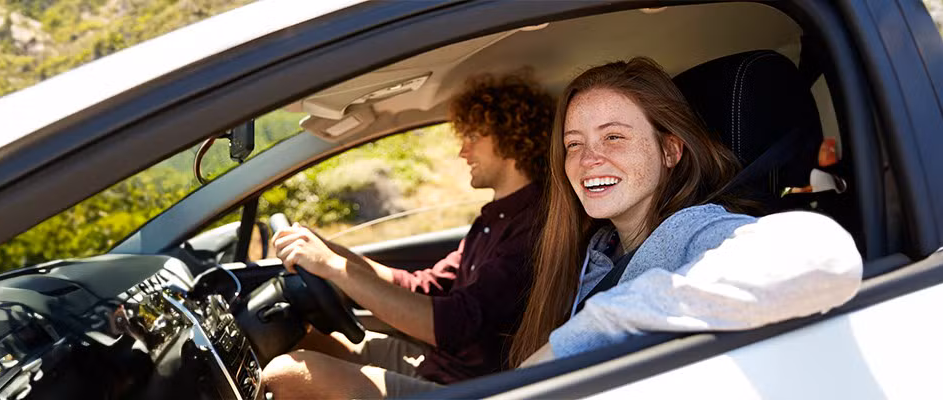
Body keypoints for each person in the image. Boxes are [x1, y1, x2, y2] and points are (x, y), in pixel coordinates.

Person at [500, 57, 864, 367]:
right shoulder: (598, 249)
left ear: (670, 151)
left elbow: (823, 256)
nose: (588, 160)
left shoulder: (695, 229)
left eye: (613, 137)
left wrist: (595, 326)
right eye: (574, 144)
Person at [259, 72, 556, 398]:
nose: (463, 151)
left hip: (467, 387)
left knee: (284, 374)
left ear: (512, 136)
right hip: (436, 363)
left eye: (473, 136)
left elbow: (455, 324)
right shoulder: (494, 217)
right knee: (307, 339)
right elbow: (424, 286)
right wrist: (333, 254)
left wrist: (332, 266)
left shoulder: (532, 229)